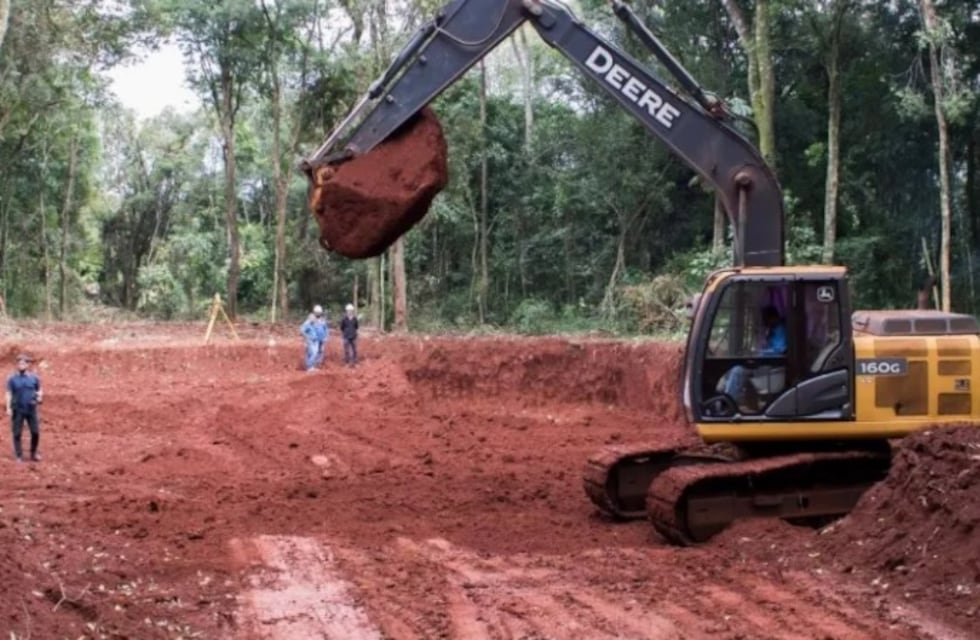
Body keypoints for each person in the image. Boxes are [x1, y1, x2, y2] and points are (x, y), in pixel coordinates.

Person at [723, 305, 787, 410]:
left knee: (738, 370)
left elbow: (780, 350)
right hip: (764, 362)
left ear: (773, 317)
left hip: (773, 365)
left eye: (766, 319)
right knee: (733, 368)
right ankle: (730, 397)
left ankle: (728, 403)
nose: (764, 322)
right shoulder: (770, 330)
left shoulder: (781, 330)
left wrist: (760, 353)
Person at [6, 354, 42, 463]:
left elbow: (39, 390)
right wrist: (8, 408)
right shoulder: (12, 379)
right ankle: (19, 455)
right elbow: (8, 393)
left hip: (31, 409)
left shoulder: (34, 378)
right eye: (19, 363)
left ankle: (33, 453)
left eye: (23, 363)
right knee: (17, 433)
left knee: (35, 432)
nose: (21, 365)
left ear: (27, 365)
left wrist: (39, 397)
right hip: (17, 409)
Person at [300, 305, 329, 371]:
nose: (318, 314)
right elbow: (303, 330)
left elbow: (325, 329)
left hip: (318, 339)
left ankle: (313, 365)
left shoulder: (321, 320)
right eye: (317, 312)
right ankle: (309, 366)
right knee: (312, 353)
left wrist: (326, 337)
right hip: (312, 340)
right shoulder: (309, 321)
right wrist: (307, 338)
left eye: (319, 312)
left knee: (317, 352)